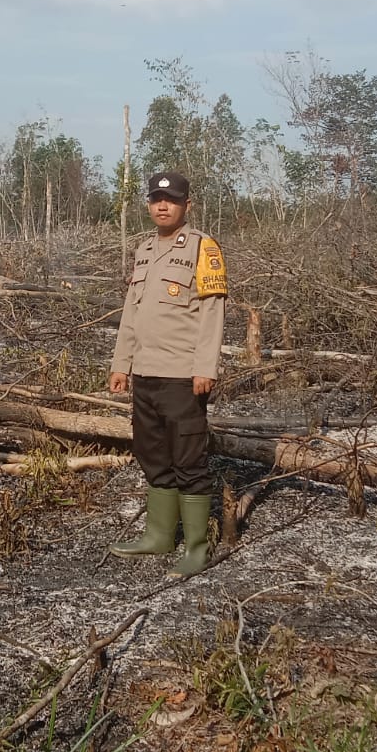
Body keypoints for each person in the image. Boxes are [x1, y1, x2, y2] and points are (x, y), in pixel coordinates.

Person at [108, 171, 228, 577]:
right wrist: (120, 364)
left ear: (186, 206)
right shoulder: (143, 250)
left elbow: (212, 313)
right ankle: (159, 535)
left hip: (182, 375)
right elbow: (132, 312)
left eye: (172, 200)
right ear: (148, 204)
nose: (163, 205)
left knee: (188, 458)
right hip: (145, 374)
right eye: (156, 199)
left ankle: (196, 547)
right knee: (152, 453)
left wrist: (205, 368)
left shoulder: (203, 248)